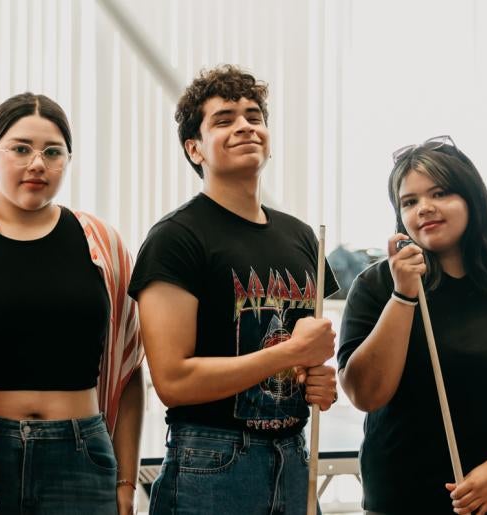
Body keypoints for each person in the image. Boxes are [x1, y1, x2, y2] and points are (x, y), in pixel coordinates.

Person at [337, 136, 487, 514]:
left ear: (472, 199)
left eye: (439, 193)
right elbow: (366, 394)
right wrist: (403, 296)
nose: (424, 208)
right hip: (403, 499)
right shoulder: (377, 285)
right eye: (410, 201)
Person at [129, 64, 339, 514]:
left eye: (254, 116)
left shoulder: (302, 237)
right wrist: (287, 354)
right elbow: (173, 381)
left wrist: (318, 381)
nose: (245, 125)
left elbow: (306, 359)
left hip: (294, 455)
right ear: (195, 148)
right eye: (224, 119)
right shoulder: (176, 238)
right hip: (213, 462)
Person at [0, 92, 144, 515]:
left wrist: (127, 482)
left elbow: (128, 371)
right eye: (20, 149)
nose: (37, 163)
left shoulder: (101, 242)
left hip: (81, 453)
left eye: (52, 152)